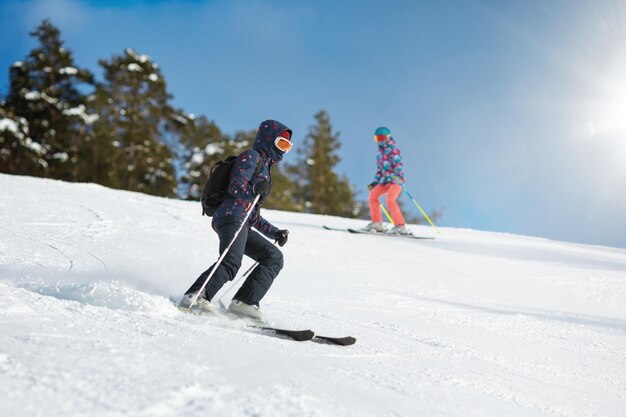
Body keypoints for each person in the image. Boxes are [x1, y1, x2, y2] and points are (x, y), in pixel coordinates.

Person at [178, 120, 293, 321]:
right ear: (268, 139)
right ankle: (195, 296)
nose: (283, 150)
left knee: (273, 257)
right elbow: (236, 188)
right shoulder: (251, 156)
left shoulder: (266, 169)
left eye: (287, 146)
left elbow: (253, 214)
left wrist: (275, 232)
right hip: (230, 216)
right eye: (281, 143)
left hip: (243, 221)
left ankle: (244, 303)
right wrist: (254, 189)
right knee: (231, 261)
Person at [365, 126, 410, 235]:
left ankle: (400, 226)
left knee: (390, 199)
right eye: (377, 138)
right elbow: (379, 171)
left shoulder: (393, 149)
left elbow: (398, 164)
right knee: (373, 196)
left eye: (381, 137)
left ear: (388, 137)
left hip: (396, 180)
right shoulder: (379, 154)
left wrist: (397, 176)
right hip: (384, 181)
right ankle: (377, 223)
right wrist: (375, 182)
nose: (379, 140)